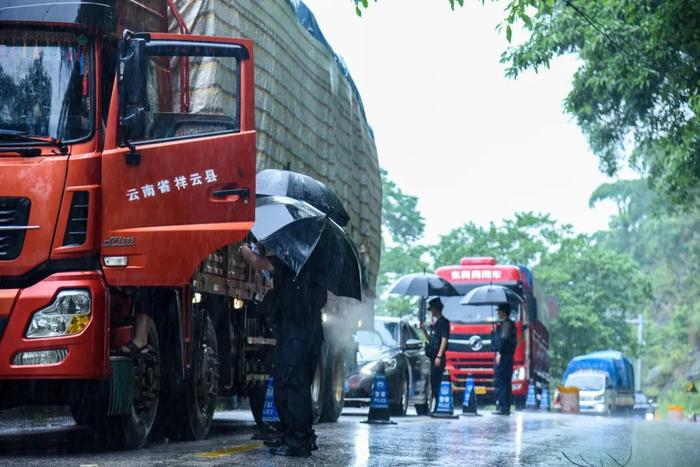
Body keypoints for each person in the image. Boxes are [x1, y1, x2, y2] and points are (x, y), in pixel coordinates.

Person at [241, 243, 325, 457]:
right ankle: (297, 436)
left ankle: (298, 441)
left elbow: (257, 262)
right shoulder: (314, 258)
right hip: (307, 330)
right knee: (294, 384)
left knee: (291, 384)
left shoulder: (298, 254)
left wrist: (244, 248)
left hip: (297, 331)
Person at [426, 297, 450, 410]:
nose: (431, 312)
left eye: (432, 309)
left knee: (438, 382)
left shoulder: (443, 323)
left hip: (438, 358)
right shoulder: (436, 324)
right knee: (434, 382)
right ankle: (436, 406)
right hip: (433, 357)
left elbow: (444, 340)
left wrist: (439, 356)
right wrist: (423, 331)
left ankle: (439, 406)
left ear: (436, 309)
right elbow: (432, 340)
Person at [493, 303, 517, 415]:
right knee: (506, 382)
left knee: (501, 381)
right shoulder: (508, 324)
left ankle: (503, 406)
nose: (498, 313)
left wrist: (499, 353)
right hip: (508, 357)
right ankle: (505, 406)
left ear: (503, 312)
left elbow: (503, 340)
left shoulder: (506, 325)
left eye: (499, 311)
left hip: (504, 357)